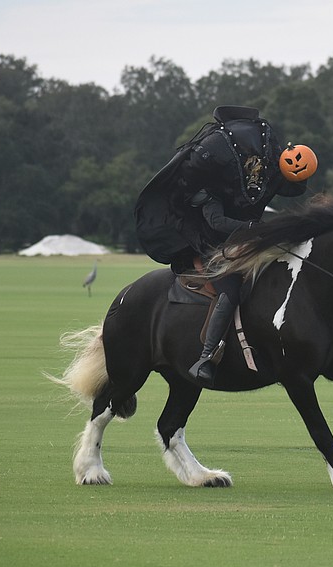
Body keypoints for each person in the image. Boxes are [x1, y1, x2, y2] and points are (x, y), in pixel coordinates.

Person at [135, 105, 314, 385]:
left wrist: (300, 175)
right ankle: (207, 356)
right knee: (230, 289)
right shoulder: (206, 184)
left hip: (251, 242)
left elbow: (288, 186)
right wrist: (254, 229)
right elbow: (217, 222)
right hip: (212, 246)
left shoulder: (262, 157)